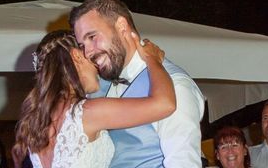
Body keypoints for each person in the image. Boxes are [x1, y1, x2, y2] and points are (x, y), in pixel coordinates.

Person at [70, 0, 205, 168]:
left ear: (121, 26)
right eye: (82, 45)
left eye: (92, 37)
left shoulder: (175, 85)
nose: (88, 52)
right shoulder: (98, 86)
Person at [12, 29, 175, 168]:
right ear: (76, 56)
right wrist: (153, 60)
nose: (98, 68)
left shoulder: (37, 123)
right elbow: (165, 104)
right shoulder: (86, 113)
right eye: (92, 58)